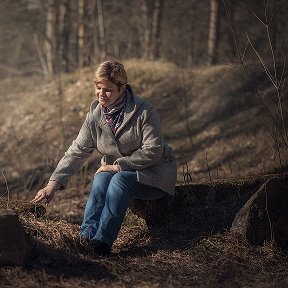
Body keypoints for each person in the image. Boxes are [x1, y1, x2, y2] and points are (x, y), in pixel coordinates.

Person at [31, 60, 177, 256]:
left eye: (107, 89)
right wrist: (53, 184)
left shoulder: (144, 111)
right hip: (119, 173)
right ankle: (87, 237)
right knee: (101, 178)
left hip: (153, 175)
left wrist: (118, 166)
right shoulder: (95, 115)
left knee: (120, 179)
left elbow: (153, 150)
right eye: (98, 88)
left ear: (122, 88)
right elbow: (77, 150)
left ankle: (102, 243)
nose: (101, 94)